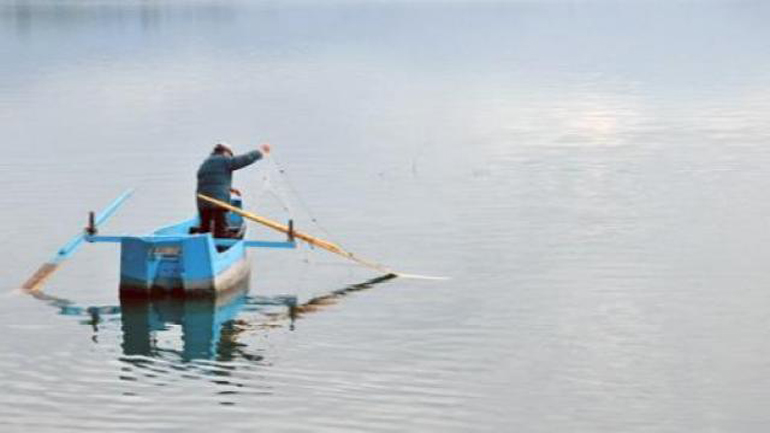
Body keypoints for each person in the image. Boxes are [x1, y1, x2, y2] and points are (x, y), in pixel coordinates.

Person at [196, 141, 271, 237]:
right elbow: (243, 160)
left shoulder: (206, 163)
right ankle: (221, 238)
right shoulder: (224, 160)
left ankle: (202, 240)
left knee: (205, 227)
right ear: (226, 152)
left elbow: (210, 181)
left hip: (202, 201)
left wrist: (229, 188)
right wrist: (260, 152)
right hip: (218, 201)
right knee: (220, 226)